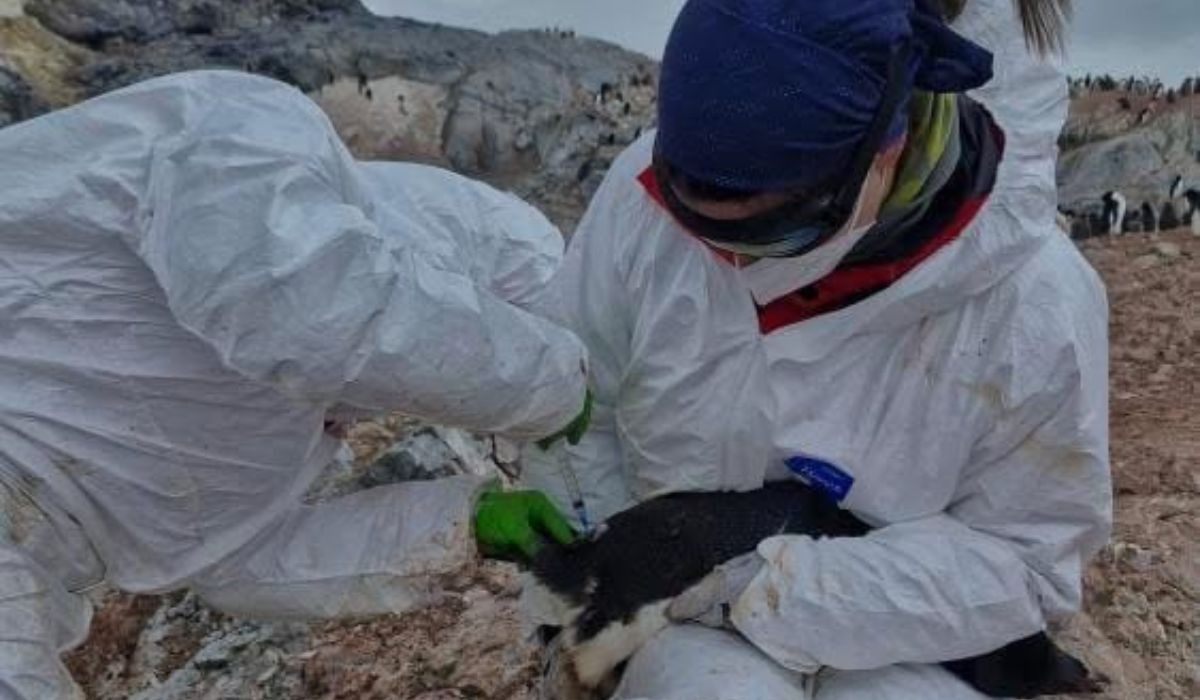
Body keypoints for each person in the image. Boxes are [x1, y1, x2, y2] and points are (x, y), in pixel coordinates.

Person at [522, 0, 1111, 698]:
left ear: (889, 148)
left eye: (769, 234)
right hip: (685, 630)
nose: (726, 262)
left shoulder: (1030, 301)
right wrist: (591, 592)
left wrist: (744, 575)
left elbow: (1024, 564)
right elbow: (581, 395)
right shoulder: (641, 200)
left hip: (907, 643)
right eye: (693, 219)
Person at [0, 70, 586, 698]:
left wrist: (460, 526)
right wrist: (551, 385)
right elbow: (309, 306)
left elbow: (238, 561)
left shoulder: (292, 416)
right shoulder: (250, 134)